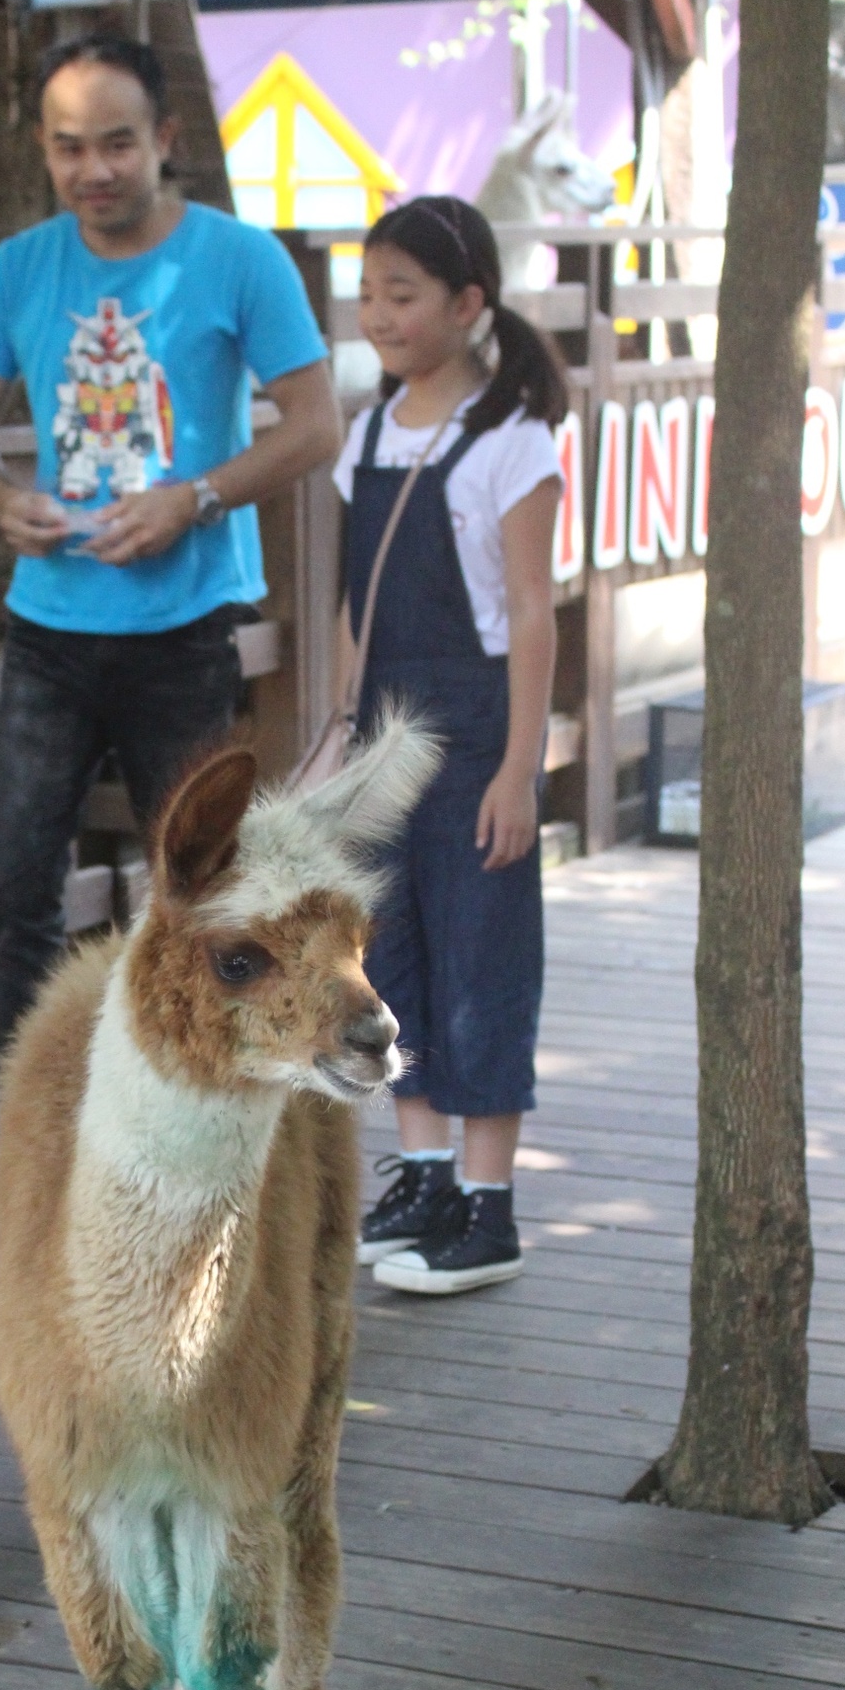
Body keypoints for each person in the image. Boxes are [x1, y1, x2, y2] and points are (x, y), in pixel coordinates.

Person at [0, 33, 341, 1196]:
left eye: (116, 142)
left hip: (183, 628)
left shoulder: (239, 260)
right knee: (17, 884)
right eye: (68, 146)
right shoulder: (16, 270)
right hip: (49, 628)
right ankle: (33, 1134)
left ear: (165, 141)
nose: (92, 168)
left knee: (207, 893)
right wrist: (2, 499)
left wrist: (195, 497)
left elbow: (316, 426)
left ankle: (206, 1131)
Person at [339, 195, 564, 1295]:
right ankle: (424, 1172)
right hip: (382, 732)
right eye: (369, 290)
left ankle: (491, 1204)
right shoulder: (367, 431)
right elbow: (356, 608)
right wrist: (341, 732)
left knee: (484, 958)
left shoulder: (513, 442)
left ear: (469, 304)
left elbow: (532, 611)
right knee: (392, 958)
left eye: (404, 293)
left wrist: (522, 767)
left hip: (475, 730)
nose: (378, 313)